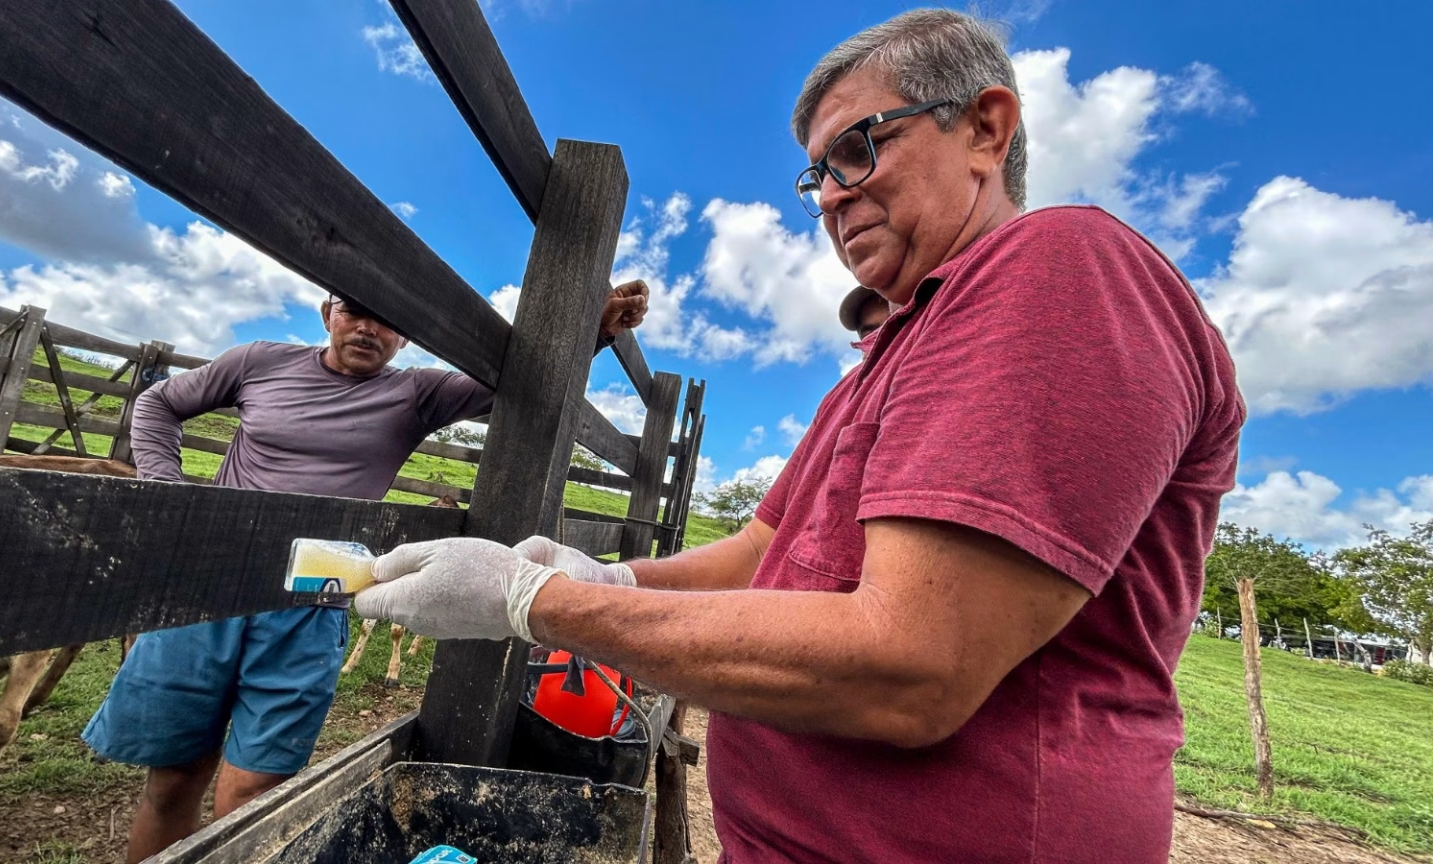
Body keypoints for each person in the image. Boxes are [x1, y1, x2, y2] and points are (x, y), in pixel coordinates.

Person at [354, 8, 1244, 864]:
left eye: (858, 149)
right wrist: (612, 576)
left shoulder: (1059, 268)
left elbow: (916, 665)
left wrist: (536, 603)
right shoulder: (881, 365)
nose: (829, 197)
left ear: (985, 128)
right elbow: (760, 554)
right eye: (816, 175)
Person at [83, 280, 649, 863]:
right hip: (204, 589)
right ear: (328, 312)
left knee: (255, 792)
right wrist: (168, 490)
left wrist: (594, 330)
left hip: (312, 604)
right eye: (354, 310)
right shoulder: (257, 361)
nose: (367, 329)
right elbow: (158, 403)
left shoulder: (415, 394)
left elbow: (520, 383)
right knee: (174, 777)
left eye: (388, 320)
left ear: (404, 337)